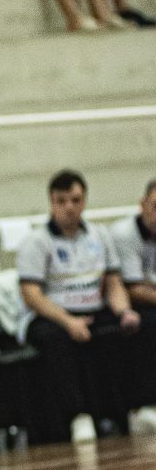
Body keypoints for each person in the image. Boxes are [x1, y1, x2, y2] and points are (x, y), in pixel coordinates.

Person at [17, 170, 156, 443]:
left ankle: (135, 408)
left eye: (75, 200)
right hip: (53, 316)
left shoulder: (99, 235)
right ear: (52, 203)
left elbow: (113, 282)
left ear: (84, 201)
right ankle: (78, 416)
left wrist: (124, 311)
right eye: (61, 201)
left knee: (135, 326)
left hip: (94, 310)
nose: (69, 207)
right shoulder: (37, 241)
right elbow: (31, 294)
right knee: (56, 339)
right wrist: (68, 321)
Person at [110, 177, 156, 433]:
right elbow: (134, 288)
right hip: (126, 304)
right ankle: (144, 405)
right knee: (147, 324)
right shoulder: (124, 234)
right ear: (143, 205)